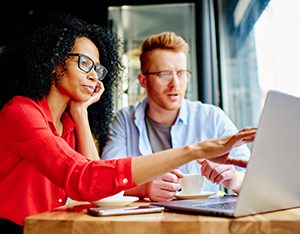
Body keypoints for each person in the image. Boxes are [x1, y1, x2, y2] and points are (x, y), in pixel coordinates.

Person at [0, 13, 256, 233]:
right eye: (85, 63)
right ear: (55, 63)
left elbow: (93, 186)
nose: (93, 74)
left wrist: (80, 112)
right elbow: (84, 178)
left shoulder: (68, 122)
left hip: (50, 228)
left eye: (98, 68)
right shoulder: (21, 112)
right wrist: (196, 150)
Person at [102, 32, 250, 201]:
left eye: (181, 73)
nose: (175, 84)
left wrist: (235, 179)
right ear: (143, 80)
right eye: (164, 74)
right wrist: (142, 189)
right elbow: (106, 180)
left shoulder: (212, 118)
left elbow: (256, 181)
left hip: (202, 221)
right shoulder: (124, 120)